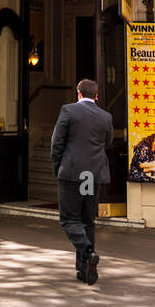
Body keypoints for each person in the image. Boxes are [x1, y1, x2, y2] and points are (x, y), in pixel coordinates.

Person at [51, 77, 114, 285]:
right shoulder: (106, 116)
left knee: (69, 220)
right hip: (92, 176)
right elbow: (109, 142)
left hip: (71, 174)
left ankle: (88, 253)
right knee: (87, 221)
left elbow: (57, 142)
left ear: (78, 93)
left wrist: (57, 167)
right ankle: (84, 269)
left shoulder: (68, 111)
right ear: (96, 96)